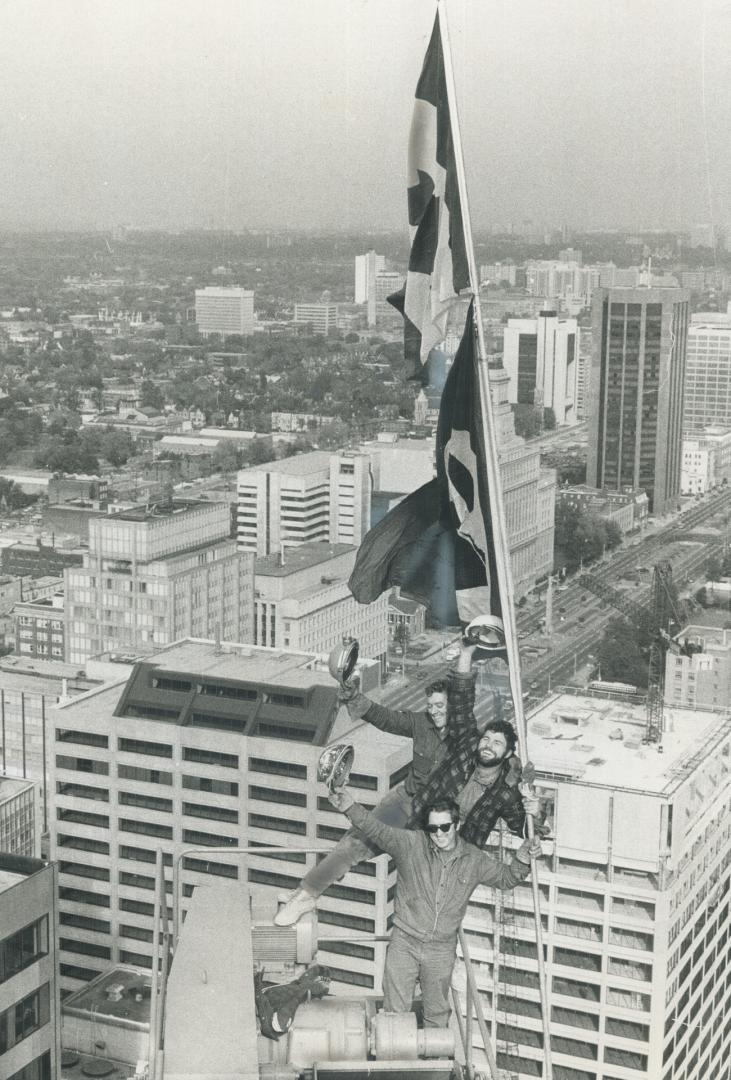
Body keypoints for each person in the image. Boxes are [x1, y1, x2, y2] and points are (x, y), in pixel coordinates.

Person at [274, 643, 480, 927]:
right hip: (405, 801)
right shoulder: (421, 723)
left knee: (427, 883)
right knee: (355, 843)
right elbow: (385, 718)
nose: (435, 712)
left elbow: (465, 691)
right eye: (431, 706)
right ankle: (307, 893)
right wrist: (354, 696)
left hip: (434, 819)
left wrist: (466, 656)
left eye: (441, 706)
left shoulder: (464, 734)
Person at [329, 785, 543, 1028]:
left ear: (457, 824)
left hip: (441, 950)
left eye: (445, 827)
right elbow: (377, 830)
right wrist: (349, 807)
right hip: (404, 941)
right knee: (394, 1014)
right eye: (432, 828)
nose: (439, 834)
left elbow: (506, 878)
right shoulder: (410, 844)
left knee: (437, 1015)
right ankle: (396, 1059)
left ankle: (432, 1062)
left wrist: (523, 856)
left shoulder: (474, 860)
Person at [408, 715, 546, 849]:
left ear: (508, 753)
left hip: (458, 854)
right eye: (486, 739)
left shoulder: (506, 790)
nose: (488, 746)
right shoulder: (464, 754)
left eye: (497, 743)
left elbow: (526, 829)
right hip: (421, 834)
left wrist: (537, 813)